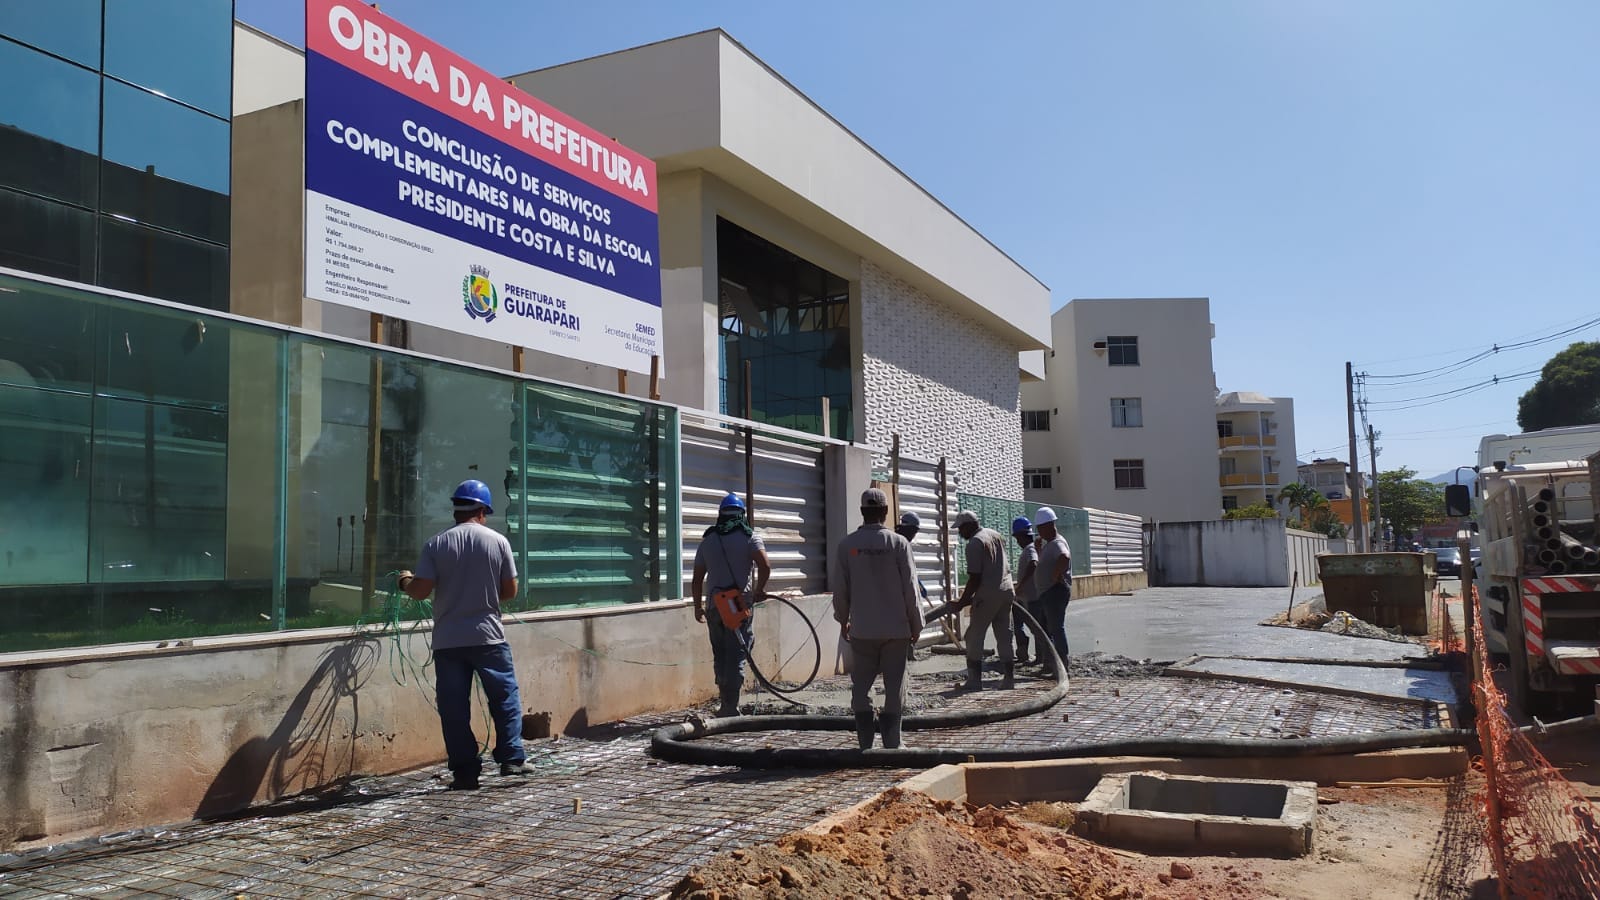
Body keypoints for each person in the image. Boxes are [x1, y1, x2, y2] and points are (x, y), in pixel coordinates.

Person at [398, 479, 526, 791]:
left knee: (454, 708)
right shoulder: (498, 542)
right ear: (482, 510)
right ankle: (511, 759)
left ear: (457, 508)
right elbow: (509, 591)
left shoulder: (436, 544)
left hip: (449, 641)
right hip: (489, 638)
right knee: (504, 699)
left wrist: (404, 581)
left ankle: (466, 772)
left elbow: (421, 591)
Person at [833, 488, 923, 749]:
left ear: (862, 511)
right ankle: (893, 744)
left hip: (863, 630)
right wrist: (916, 624)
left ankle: (865, 744)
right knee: (894, 688)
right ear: (885, 512)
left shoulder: (847, 545)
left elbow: (841, 589)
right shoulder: (898, 544)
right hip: (896, 630)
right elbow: (910, 588)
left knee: (861, 687)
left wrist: (843, 620)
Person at [691, 492, 771, 717]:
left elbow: (697, 579)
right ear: (742, 514)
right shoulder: (749, 537)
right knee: (737, 652)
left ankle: (725, 702)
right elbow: (765, 565)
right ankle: (730, 707)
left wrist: (697, 606)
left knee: (721, 653)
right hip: (736, 604)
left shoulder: (708, 540)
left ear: (720, 515)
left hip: (714, 606)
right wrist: (760, 590)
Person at [951, 510, 1016, 691]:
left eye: (961, 528)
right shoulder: (995, 535)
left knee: (973, 636)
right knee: (1004, 636)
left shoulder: (974, 543)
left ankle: (974, 681)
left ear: (968, 526)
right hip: (1007, 590)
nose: (960, 533)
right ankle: (1009, 679)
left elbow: (975, 578)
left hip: (988, 594)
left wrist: (962, 601)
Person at [1032, 506, 1073, 669]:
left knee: (1056, 628)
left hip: (1054, 592)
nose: (1039, 532)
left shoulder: (1057, 543)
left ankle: (1062, 664)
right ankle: (1051, 664)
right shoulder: (1050, 544)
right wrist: (1039, 550)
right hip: (1048, 593)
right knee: (1045, 629)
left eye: (1040, 528)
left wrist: (1055, 575)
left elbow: (1064, 557)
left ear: (1048, 526)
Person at [1010, 516, 1045, 666]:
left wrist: (1021, 585)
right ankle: (1023, 653)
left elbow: (1033, 564)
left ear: (1023, 536)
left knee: (1036, 628)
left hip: (1031, 597)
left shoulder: (1030, 549)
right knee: (1017, 624)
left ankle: (1040, 658)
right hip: (1022, 598)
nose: (1017, 541)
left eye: (1018, 537)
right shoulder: (1028, 549)